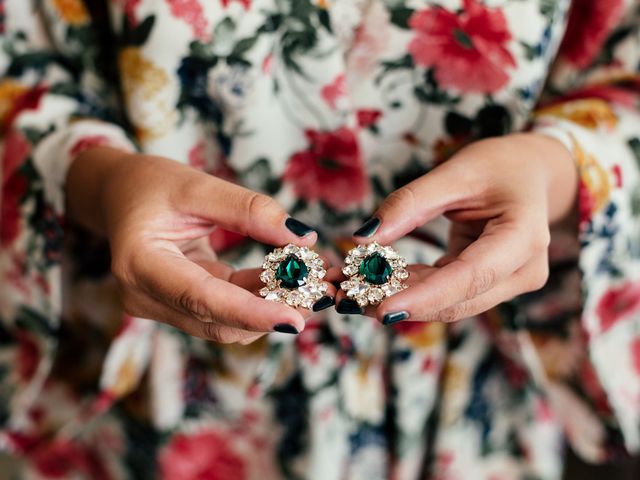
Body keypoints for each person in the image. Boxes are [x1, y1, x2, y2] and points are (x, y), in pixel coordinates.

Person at [1, 0, 639, 478]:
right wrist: (107, 182)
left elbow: (626, 78)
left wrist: (550, 169)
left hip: (465, 401)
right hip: (173, 395)